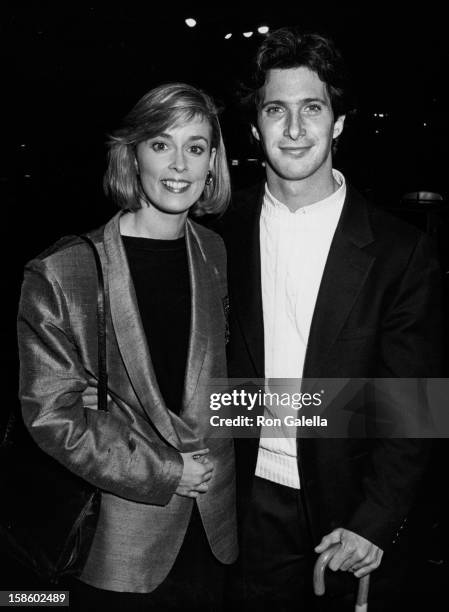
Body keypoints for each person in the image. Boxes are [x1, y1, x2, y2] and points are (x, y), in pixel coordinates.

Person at [217, 28, 443, 611]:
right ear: (253, 127)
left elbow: (413, 405)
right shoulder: (217, 232)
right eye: (276, 110)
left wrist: (376, 521)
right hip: (241, 508)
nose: (294, 129)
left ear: (338, 123)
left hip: (348, 518)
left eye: (312, 108)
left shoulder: (399, 251)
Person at [17, 83, 237, 611]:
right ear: (132, 154)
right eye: (161, 144)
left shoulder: (214, 251)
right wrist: (166, 471)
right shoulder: (62, 271)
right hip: (118, 543)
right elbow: (51, 415)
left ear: (213, 163)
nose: (179, 164)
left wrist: (364, 414)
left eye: (197, 146)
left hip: (216, 532)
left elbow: (213, 389)